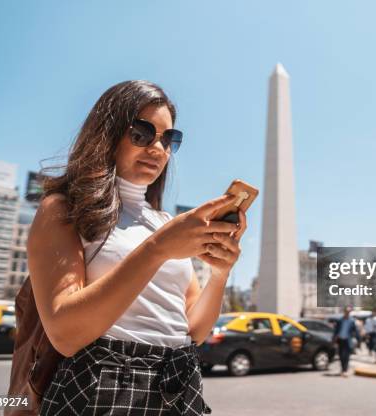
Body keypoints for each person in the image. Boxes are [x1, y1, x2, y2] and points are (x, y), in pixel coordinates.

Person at [28, 80, 248, 415]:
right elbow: (65, 333)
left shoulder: (163, 222)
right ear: (108, 133)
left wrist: (220, 274)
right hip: (102, 382)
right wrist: (157, 249)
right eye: (142, 133)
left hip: (180, 381)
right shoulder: (63, 209)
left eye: (169, 139)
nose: (159, 149)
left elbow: (195, 330)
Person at [332, 306, 361, 377]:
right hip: (340, 340)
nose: (347, 313)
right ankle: (342, 369)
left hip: (348, 340)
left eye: (349, 312)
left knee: (347, 356)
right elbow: (336, 331)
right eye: (346, 311)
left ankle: (345, 370)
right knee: (341, 355)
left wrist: (358, 339)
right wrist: (334, 340)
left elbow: (355, 331)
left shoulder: (352, 321)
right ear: (344, 312)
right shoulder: (340, 320)